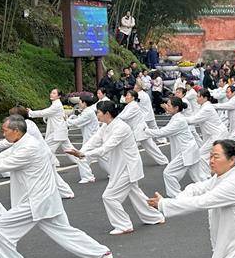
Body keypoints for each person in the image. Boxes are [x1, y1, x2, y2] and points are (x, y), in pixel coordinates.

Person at [0, 115, 112, 258]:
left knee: (0, 227)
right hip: (43, 198)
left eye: (5, 130)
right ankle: (101, 251)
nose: (3, 134)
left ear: (16, 131)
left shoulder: (29, 148)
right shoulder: (23, 143)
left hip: (36, 200)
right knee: (63, 230)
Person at [70, 100, 165, 235]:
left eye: (98, 112)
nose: (97, 115)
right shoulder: (106, 126)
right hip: (119, 167)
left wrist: (83, 154)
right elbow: (95, 140)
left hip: (128, 168)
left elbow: (105, 148)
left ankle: (124, 225)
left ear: (107, 114)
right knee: (136, 194)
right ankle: (155, 217)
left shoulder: (121, 128)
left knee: (109, 197)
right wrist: (81, 151)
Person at [30, 88, 94, 184]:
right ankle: (81, 161)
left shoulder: (56, 105)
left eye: (54, 93)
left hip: (58, 132)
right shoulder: (55, 105)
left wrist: (31, 113)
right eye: (51, 92)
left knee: (47, 149)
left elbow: (45, 112)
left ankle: (46, 166)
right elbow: (48, 113)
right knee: (72, 151)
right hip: (60, 131)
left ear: (59, 96)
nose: (51, 94)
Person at [155, 96, 206, 197]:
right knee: (199, 177)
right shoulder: (176, 118)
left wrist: (146, 131)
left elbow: (162, 132)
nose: (166, 107)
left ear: (176, 108)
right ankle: (213, 191)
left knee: (169, 173)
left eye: (169, 105)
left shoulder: (178, 120)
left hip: (187, 151)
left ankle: (177, 197)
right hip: (190, 150)